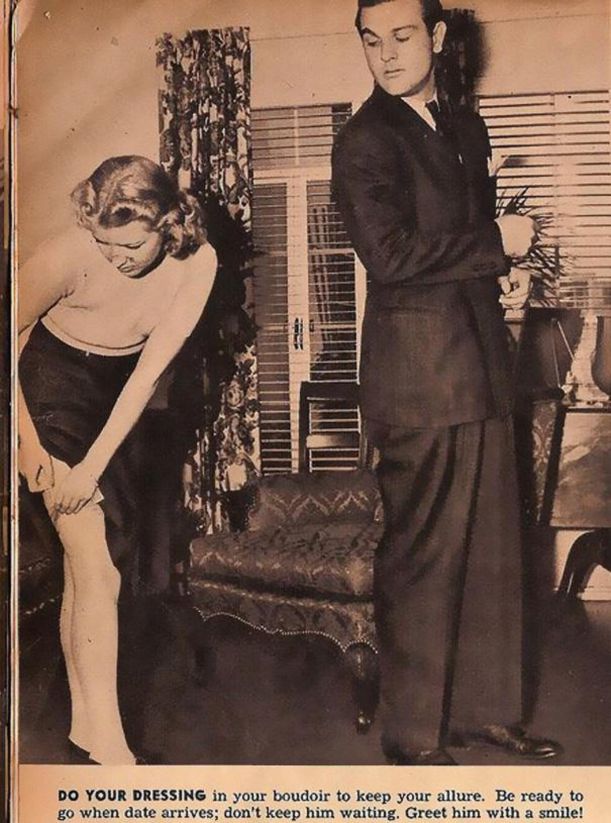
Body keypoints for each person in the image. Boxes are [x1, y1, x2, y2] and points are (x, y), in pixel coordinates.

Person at [332, 0, 561, 765]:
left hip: (483, 364)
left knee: (495, 548)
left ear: (435, 37)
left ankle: (483, 713)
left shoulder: (466, 126)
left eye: (401, 36)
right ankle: (411, 735)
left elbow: (461, 249)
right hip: (417, 379)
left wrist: (503, 278)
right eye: (372, 40)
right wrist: (497, 242)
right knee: (421, 556)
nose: (386, 54)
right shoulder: (364, 140)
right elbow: (391, 256)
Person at [18, 155, 217, 765]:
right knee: (95, 565)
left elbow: (146, 376)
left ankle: (85, 729)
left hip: (113, 401)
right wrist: (28, 448)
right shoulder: (66, 256)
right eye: (105, 242)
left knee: (94, 570)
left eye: (131, 244)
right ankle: (110, 745)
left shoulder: (197, 264)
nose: (116, 258)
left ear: (170, 224)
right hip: (45, 394)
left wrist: (92, 466)